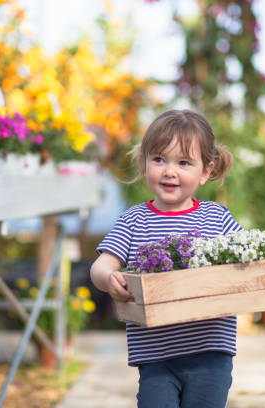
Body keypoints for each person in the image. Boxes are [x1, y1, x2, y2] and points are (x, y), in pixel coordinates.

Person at [90, 109, 242, 408]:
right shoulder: (134, 221)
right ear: (144, 162)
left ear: (206, 171)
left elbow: (247, 262)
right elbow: (101, 265)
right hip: (156, 356)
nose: (170, 170)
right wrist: (109, 279)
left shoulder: (217, 218)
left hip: (210, 352)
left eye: (184, 162)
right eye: (159, 159)